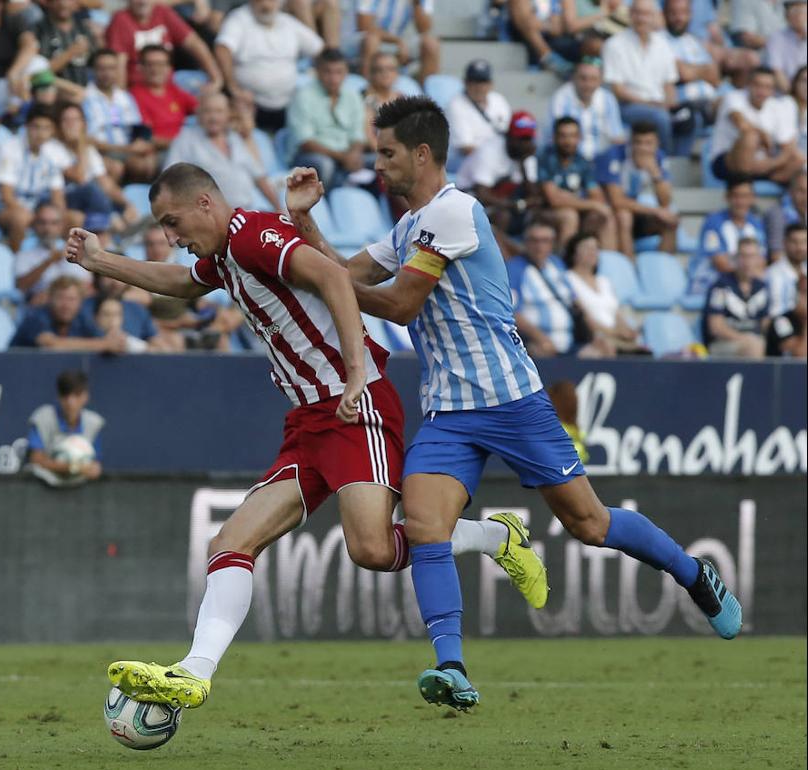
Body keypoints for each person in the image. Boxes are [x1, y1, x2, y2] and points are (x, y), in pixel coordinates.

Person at [285, 95, 741, 711]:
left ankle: (695, 575)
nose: (378, 163)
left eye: (387, 152)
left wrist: (336, 276)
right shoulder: (407, 227)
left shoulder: (455, 214)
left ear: (422, 154)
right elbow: (343, 272)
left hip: (511, 400)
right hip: (449, 409)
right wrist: (306, 224)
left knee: (589, 524)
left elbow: (396, 304)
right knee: (423, 527)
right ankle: (451, 667)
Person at [69, 162, 545, 710]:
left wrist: (356, 373)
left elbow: (334, 277)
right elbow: (181, 283)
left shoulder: (252, 235)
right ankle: (194, 673)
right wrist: (101, 261)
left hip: (352, 408)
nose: (172, 237)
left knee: (371, 547)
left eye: (173, 222)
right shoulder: (222, 255)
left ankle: (495, 537)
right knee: (228, 544)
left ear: (205, 204)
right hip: (307, 423)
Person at [506, 218, 616, 358]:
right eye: (534, 240)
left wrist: (596, 335)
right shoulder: (514, 269)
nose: (539, 246)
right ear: (525, 242)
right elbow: (513, 312)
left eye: (545, 241)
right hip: (536, 342)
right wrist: (540, 338)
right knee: (540, 350)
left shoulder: (557, 265)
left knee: (605, 350)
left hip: (569, 342)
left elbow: (575, 302)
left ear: (552, 243)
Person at [214, 0, 322, 133]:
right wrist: (233, 88)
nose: (266, 5)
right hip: (250, 104)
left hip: (288, 103)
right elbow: (223, 49)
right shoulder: (239, 19)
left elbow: (320, 50)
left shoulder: (287, 22)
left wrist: (319, 75)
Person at [165, 91, 278, 211]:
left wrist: (278, 207)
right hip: (209, 216)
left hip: (245, 213)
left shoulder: (235, 138)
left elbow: (259, 178)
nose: (213, 117)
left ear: (227, 114)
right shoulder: (186, 138)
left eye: (219, 111)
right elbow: (170, 178)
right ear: (198, 113)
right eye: (208, 111)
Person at [602, 0, 686, 154]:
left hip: (657, 104)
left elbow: (669, 84)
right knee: (660, 118)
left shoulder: (663, 44)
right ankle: (665, 161)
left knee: (690, 116)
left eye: (646, 14)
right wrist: (651, 104)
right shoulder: (614, 44)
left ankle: (678, 160)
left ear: (654, 17)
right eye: (638, 13)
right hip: (628, 105)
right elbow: (618, 90)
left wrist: (670, 103)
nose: (642, 18)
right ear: (630, 15)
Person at [456, 111, 543, 256]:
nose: (524, 143)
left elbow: (533, 196)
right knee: (503, 215)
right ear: (509, 136)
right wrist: (515, 205)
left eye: (528, 139)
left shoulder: (527, 156)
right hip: (468, 202)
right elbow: (482, 195)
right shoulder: (490, 151)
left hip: (503, 202)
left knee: (538, 214)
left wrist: (522, 163)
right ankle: (502, 256)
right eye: (520, 138)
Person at [709, 67, 805, 186]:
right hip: (728, 162)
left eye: (767, 87)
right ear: (748, 85)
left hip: (763, 164)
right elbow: (742, 124)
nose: (762, 91)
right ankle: (744, 186)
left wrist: (771, 164)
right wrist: (763, 134)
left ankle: (765, 184)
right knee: (750, 137)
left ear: (773, 90)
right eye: (757, 85)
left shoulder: (778, 106)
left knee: (799, 159)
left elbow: (788, 147)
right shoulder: (733, 97)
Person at [0, 103, 68, 251]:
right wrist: (36, 218)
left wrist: (56, 214)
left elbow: (58, 196)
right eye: (36, 127)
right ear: (26, 127)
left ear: (52, 130)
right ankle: (18, 260)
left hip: (37, 209)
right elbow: (6, 196)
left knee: (72, 218)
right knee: (21, 218)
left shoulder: (53, 152)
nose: (40, 133)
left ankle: (63, 262)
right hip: (4, 208)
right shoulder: (9, 148)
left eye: (46, 128)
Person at [287, 48, 367, 190]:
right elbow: (306, 142)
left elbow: (357, 134)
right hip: (312, 156)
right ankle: (327, 199)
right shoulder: (303, 96)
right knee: (325, 165)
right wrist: (343, 158)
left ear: (346, 73)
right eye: (328, 72)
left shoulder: (352, 96)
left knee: (382, 163)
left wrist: (354, 154)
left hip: (346, 155)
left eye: (339, 72)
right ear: (317, 72)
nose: (334, 78)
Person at [595, 121, 678, 257]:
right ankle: (629, 268)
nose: (643, 148)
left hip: (634, 210)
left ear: (657, 143)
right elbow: (616, 201)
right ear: (630, 143)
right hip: (608, 213)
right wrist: (655, 211)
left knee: (671, 220)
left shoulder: (658, 157)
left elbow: (665, 202)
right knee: (624, 216)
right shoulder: (613, 155)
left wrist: (655, 173)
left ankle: (664, 268)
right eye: (638, 143)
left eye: (648, 143)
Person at [53, 101, 138, 232]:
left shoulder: (88, 148)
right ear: (59, 126)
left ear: (83, 124)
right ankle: (112, 222)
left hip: (90, 199)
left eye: (75, 120)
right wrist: (80, 144)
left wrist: (127, 203)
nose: (71, 124)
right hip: (66, 198)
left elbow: (104, 181)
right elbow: (79, 177)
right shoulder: (53, 148)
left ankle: (128, 222)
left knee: (104, 189)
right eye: (66, 120)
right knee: (90, 188)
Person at [104, 0, 222, 89]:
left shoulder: (162, 12)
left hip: (170, 83)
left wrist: (216, 79)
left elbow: (194, 43)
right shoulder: (121, 19)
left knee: (204, 85)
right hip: (139, 86)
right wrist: (122, 98)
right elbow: (120, 63)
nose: (142, 1)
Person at [538, 116, 615, 249]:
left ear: (579, 138)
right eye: (563, 136)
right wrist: (588, 203)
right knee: (569, 215)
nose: (568, 141)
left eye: (573, 136)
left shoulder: (582, 162)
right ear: (555, 137)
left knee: (604, 214)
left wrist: (569, 198)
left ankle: (608, 264)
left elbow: (597, 196)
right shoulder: (544, 159)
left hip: (574, 209)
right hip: (541, 212)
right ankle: (565, 263)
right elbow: (553, 200)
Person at [82, 48, 156, 183]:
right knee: (116, 168)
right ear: (92, 71)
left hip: (125, 150)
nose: (107, 73)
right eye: (101, 68)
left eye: (111, 68)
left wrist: (141, 142)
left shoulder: (125, 97)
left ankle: (136, 199)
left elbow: (137, 127)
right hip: (100, 152)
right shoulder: (84, 98)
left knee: (145, 165)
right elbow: (86, 139)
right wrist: (124, 149)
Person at [562, 231, 643, 353]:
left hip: (614, 336)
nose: (592, 252)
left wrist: (627, 330)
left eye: (596, 248)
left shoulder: (604, 281)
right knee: (606, 346)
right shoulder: (568, 279)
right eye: (587, 248)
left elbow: (616, 313)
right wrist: (616, 333)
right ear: (574, 253)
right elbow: (583, 317)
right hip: (590, 338)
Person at [688, 179, 766, 297]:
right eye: (736, 196)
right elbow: (720, 263)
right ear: (727, 197)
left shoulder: (756, 224)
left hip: (744, 280)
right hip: (714, 281)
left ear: (753, 198)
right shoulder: (713, 222)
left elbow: (761, 260)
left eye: (745, 196)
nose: (740, 202)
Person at [26, 369, 104, 486]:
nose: (70, 401)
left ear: (85, 396)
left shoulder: (93, 423)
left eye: (76, 395)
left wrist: (94, 469)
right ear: (58, 396)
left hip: (79, 491)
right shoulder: (42, 418)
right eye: (65, 395)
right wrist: (73, 467)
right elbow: (36, 460)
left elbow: (94, 463)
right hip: (43, 487)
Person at [9, 273, 124, 351]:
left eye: (71, 299)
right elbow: (52, 345)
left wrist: (112, 339)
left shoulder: (81, 319)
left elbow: (101, 338)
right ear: (49, 299)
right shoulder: (36, 317)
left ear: (80, 302)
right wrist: (105, 345)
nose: (66, 305)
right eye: (60, 298)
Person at [703, 237, 771, 359]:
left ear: (759, 260)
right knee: (754, 345)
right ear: (735, 258)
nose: (747, 262)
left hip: (755, 341)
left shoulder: (761, 288)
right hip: (724, 344)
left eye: (752, 256)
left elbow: (765, 323)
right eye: (743, 256)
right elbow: (716, 327)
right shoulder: (720, 286)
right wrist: (745, 339)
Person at [548, 57, 624, 162]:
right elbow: (557, 137)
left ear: (600, 80)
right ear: (574, 78)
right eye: (583, 78)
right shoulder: (561, 98)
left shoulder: (608, 99)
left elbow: (617, 137)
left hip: (601, 160)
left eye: (593, 79)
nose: (588, 84)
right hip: (571, 160)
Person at [15, 201, 92, 302]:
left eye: (53, 223)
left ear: (61, 226)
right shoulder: (24, 254)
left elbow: (88, 286)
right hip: (41, 308)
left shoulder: (74, 250)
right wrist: (50, 261)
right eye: (42, 223)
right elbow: (21, 285)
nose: (48, 229)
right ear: (34, 225)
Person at [128, 45, 198, 150]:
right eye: (150, 64)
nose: (155, 69)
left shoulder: (174, 89)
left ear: (169, 68)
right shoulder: (133, 96)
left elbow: (203, 110)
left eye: (161, 64)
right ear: (140, 68)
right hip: (160, 151)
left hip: (184, 145)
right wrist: (184, 144)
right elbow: (147, 138)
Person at [356, 0, 439, 85]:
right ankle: (368, 90)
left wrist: (416, 4)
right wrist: (397, 41)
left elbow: (424, 29)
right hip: (367, 38)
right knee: (371, 41)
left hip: (401, 40)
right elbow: (365, 26)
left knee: (431, 44)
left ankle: (425, 93)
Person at [445, 59, 511, 160]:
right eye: (474, 81)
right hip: (466, 163)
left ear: (491, 84)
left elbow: (509, 134)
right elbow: (466, 149)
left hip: (498, 159)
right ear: (465, 82)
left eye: (483, 81)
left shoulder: (499, 100)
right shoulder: (455, 105)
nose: (479, 87)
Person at [766, 169, 807, 263]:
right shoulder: (777, 215)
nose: (806, 197)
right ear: (790, 192)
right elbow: (776, 256)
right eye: (801, 191)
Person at [768, 222, 808, 316]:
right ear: (784, 243)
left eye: (804, 241)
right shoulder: (774, 274)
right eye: (795, 242)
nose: (800, 247)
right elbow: (776, 313)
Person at [768, 0, 807, 92]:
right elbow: (776, 71)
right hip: (786, 96)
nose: (798, 16)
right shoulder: (776, 38)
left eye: (802, 11)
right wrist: (794, 96)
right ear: (786, 16)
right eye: (794, 11)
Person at [766, 272, 807, 357]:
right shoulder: (782, 321)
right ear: (796, 294)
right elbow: (800, 355)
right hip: (783, 369)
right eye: (805, 292)